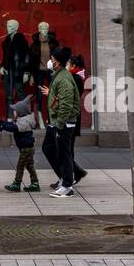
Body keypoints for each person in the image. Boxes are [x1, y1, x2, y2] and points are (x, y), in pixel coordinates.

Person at [41, 55, 85, 196]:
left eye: (53, 58)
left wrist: (60, 124)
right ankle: (67, 178)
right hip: (56, 121)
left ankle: (67, 185)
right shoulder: (59, 75)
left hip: (62, 122)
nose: (50, 61)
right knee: (51, 148)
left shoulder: (67, 78)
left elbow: (66, 102)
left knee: (64, 152)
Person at [0, 98, 41, 192]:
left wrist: (3, 126)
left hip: (26, 148)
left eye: (15, 110)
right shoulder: (23, 119)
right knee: (29, 165)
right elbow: (12, 124)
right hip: (27, 147)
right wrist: (2, 123)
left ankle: (17, 184)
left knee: (20, 166)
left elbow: (14, 127)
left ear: (20, 112)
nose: (13, 112)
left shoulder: (24, 122)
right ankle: (35, 183)